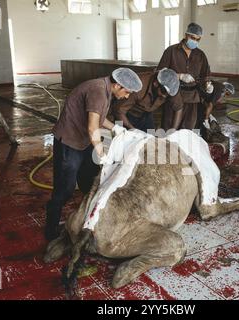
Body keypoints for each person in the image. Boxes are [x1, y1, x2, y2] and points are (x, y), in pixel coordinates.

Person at [45, 68, 143, 241]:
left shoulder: (104, 90)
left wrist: (115, 128)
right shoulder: (98, 91)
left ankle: (88, 219)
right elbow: (92, 127)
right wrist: (102, 154)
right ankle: (50, 229)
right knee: (64, 189)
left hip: (83, 142)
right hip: (69, 142)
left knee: (89, 182)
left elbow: (99, 118)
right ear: (118, 84)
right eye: (127, 92)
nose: (127, 96)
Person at [157, 22, 211, 131]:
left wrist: (208, 85)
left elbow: (205, 75)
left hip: (192, 98)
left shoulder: (200, 55)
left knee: (188, 129)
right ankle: (168, 146)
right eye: (192, 37)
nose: (194, 41)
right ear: (186, 35)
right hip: (174, 95)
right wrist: (178, 76)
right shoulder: (171, 51)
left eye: (198, 39)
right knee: (170, 127)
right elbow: (160, 73)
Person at [113, 68, 183, 132]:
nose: (164, 96)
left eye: (168, 95)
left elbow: (178, 108)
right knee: (125, 139)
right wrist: (132, 129)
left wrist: (173, 130)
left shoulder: (171, 87)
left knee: (150, 140)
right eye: (163, 92)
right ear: (155, 83)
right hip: (127, 115)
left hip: (146, 114)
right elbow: (119, 111)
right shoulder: (139, 87)